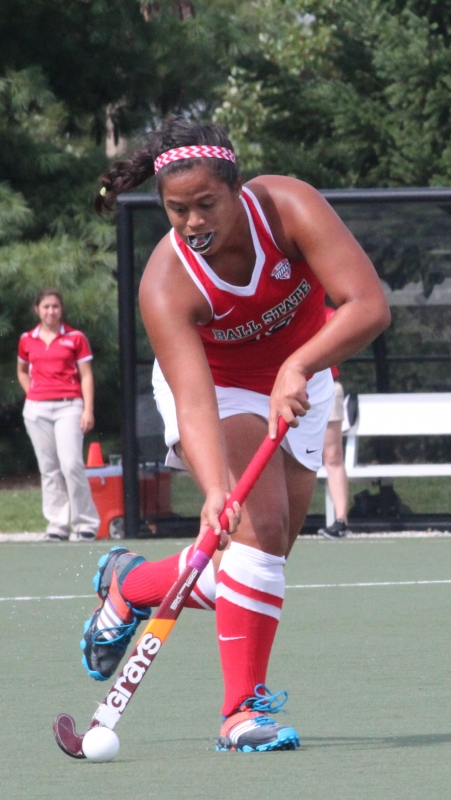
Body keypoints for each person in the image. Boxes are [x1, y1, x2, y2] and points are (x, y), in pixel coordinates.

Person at [83, 117, 390, 752]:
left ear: (237, 188)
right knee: (259, 529)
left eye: (206, 204)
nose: (193, 222)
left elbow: (368, 305)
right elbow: (194, 401)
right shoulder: (166, 283)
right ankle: (240, 713)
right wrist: (215, 490)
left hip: (302, 376)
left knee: (255, 564)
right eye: (177, 210)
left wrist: (298, 366)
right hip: (218, 390)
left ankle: (131, 586)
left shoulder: (288, 208)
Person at [17, 289, 100, 542]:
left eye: (55, 306)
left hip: (69, 406)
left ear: (61, 309)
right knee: (48, 468)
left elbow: (86, 375)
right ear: (37, 310)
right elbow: (22, 370)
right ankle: (57, 524)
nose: (51, 311)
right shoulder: (27, 339)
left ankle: (85, 523)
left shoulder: (75, 337)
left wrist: (88, 409)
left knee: (71, 464)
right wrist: (32, 392)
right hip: (37, 409)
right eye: (46, 307)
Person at [318, 304, 350, 539]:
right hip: (290, 389)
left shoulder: (331, 315)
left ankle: (341, 521)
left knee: (332, 456)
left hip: (328, 387)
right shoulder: (284, 313)